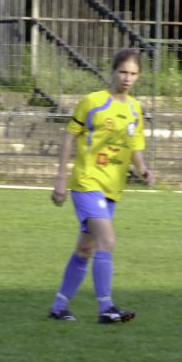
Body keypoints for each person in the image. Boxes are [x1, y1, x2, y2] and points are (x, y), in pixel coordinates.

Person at [48, 47, 155, 323]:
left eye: (133, 74)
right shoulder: (93, 102)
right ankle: (106, 308)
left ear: (138, 76)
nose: (127, 78)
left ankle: (59, 307)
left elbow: (134, 147)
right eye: (123, 72)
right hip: (86, 182)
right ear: (113, 71)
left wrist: (142, 168)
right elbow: (69, 138)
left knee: (86, 248)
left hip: (112, 189)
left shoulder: (134, 109)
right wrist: (60, 179)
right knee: (107, 240)